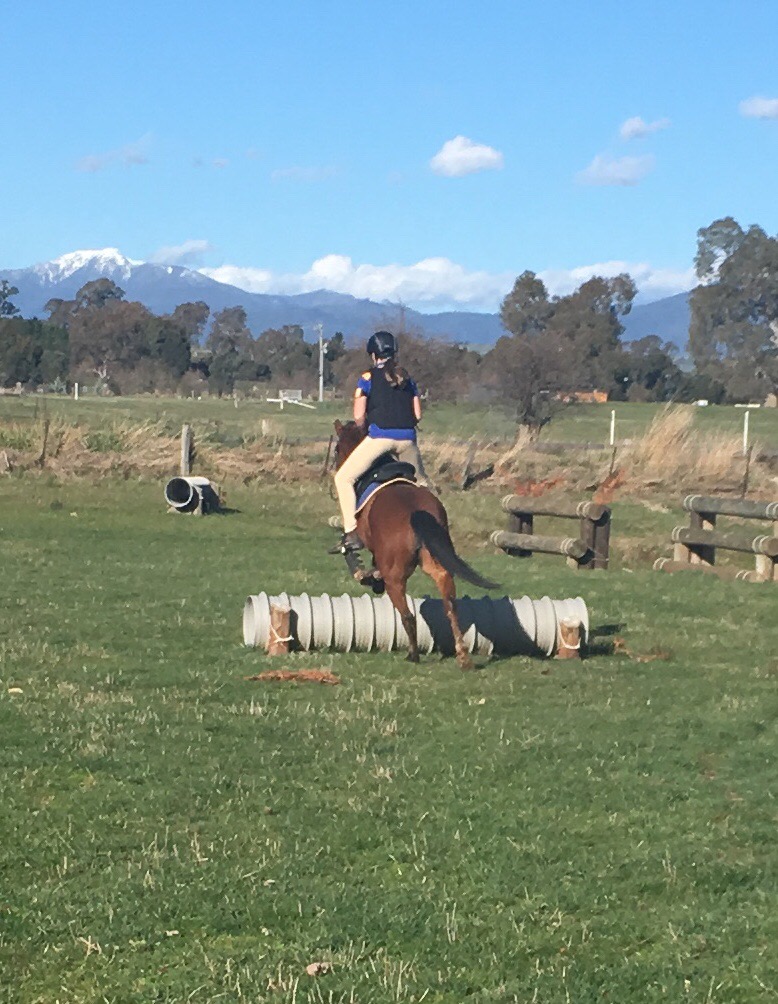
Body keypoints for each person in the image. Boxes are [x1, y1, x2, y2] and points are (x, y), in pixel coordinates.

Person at [332, 330, 431, 552]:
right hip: (408, 441)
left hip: (380, 439)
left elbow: (358, 418)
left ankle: (351, 533)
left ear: (374, 355)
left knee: (343, 479)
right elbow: (417, 415)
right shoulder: (408, 378)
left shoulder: (367, 378)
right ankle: (438, 530)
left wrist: (368, 423)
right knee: (424, 487)